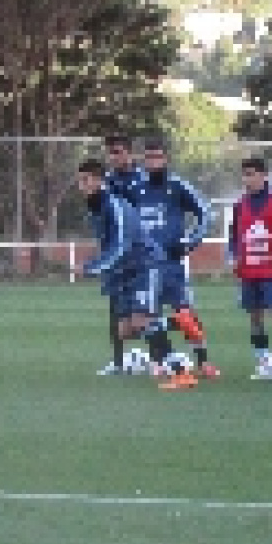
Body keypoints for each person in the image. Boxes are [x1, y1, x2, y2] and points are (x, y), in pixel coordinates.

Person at [74, 158, 195, 390]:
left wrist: (91, 267)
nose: (82, 185)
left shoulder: (115, 206)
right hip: (125, 271)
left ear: (99, 180)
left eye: (86, 180)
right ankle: (177, 321)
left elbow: (121, 246)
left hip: (145, 265)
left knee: (142, 321)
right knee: (125, 331)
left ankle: (181, 373)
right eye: (79, 180)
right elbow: (108, 244)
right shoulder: (95, 207)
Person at [133, 138, 218, 378]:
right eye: (149, 158)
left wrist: (190, 241)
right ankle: (159, 362)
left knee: (186, 312)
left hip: (173, 264)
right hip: (145, 265)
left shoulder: (177, 186)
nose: (153, 162)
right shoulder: (136, 188)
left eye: (157, 157)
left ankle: (203, 362)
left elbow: (205, 213)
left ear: (166, 159)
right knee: (147, 316)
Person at [228, 157, 272, 379]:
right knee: (255, 317)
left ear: (263, 176)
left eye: (251, 174)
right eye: (244, 175)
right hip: (249, 270)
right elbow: (234, 235)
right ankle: (263, 363)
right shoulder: (240, 204)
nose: (246, 179)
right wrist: (232, 256)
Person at [98, 134, 147, 375]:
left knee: (146, 312)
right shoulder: (106, 182)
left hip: (140, 254)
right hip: (115, 255)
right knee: (115, 309)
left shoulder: (144, 180)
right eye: (110, 153)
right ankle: (118, 362)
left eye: (117, 152)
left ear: (129, 153)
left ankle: (161, 358)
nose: (113, 157)